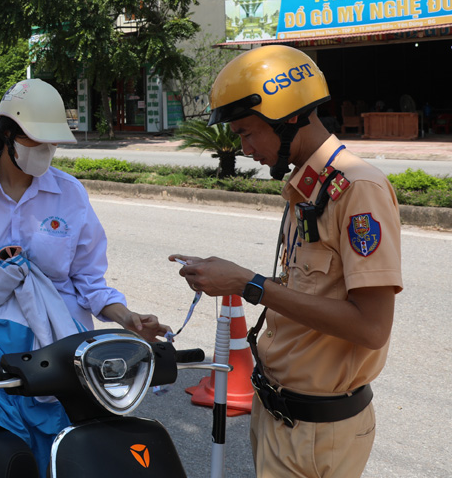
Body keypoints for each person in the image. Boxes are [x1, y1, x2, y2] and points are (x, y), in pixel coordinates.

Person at [171, 45, 402, 478]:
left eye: (246, 132)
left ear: (288, 117)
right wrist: (235, 277)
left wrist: (247, 283)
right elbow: (303, 292)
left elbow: (371, 327)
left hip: (317, 432)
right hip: (279, 414)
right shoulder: (309, 186)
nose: (242, 147)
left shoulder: (357, 189)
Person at [0, 78, 169, 473]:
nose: (46, 153)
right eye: (37, 143)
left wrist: (127, 319)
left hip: (63, 355)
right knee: (7, 457)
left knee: (70, 453)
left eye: (52, 144)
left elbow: (90, 279)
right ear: (7, 135)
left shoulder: (70, 195)